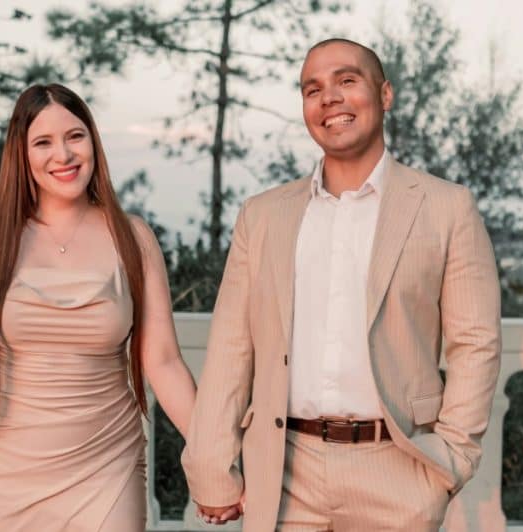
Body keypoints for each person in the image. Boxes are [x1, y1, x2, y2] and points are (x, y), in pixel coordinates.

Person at [181, 38, 501, 531]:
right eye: (313, 89)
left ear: (385, 94)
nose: (328, 97)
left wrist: (451, 458)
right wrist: (210, 466)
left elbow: (475, 342)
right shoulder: (262, 216)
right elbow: (231, 347)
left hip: (398, 471)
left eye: (346, 81)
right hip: (286, 474)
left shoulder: (446, 208)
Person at [0, 84, 196, 532]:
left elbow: (164, 362)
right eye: (43, 142)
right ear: (21, 153)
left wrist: (216, 454)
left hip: (107, 465)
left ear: (93, 141)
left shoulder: (132, 238)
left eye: (75, 136)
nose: (63, 154)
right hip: (7, 469)